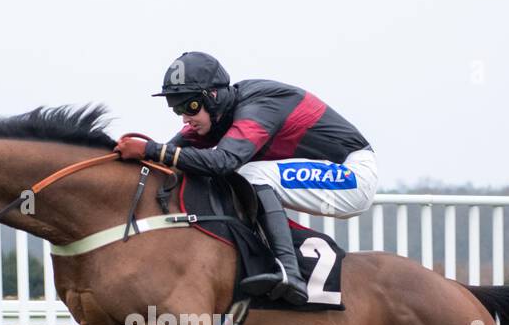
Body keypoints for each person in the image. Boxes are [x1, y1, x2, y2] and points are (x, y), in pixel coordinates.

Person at [115, 51, 378, 305]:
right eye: (177, 108)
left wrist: (152, 149)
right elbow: (170, 161)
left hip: (353, 176)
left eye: (190, 106)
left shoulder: (260, 104)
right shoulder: (214, 117)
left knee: (248, 173)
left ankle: (290, 273)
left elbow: (223, 161)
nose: (185, 117)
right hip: (326, 175)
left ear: (214, 96)